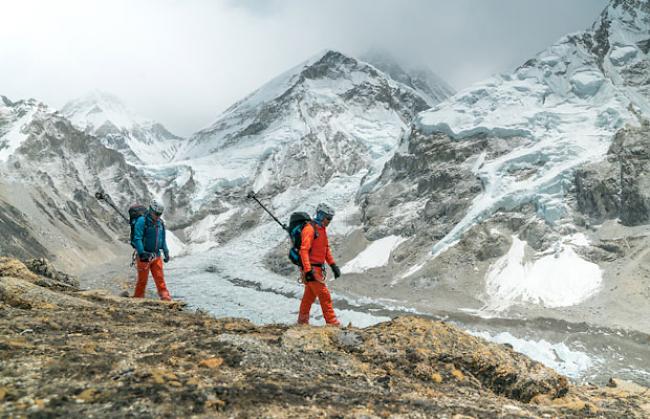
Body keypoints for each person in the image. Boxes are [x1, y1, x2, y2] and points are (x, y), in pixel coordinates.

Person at [297, 202, 342, 326]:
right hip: (312, 269)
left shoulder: (321, 230)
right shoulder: (310, 229)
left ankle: (302, 323)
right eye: (328, 218)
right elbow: (304, 250)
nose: (329, 221)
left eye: (331, 219)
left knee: (308, 297)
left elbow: (325, 249)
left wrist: (333, 265)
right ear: (321, 216)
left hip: (316, 269)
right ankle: (332, 323)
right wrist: (308, 271)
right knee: (324, 295)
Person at [131, 199, 172, 301]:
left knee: (160, 279)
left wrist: (166, 252)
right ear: (151, 210)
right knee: (142, 281)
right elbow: (137, 238)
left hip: (156, 256)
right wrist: (141, 253)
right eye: (156, 214)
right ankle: (138, 299)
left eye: (159, 214)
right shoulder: (142, 221)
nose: (158, 216)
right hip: (144, 256)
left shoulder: (160, 223)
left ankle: (166, 299)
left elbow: (162, 239)